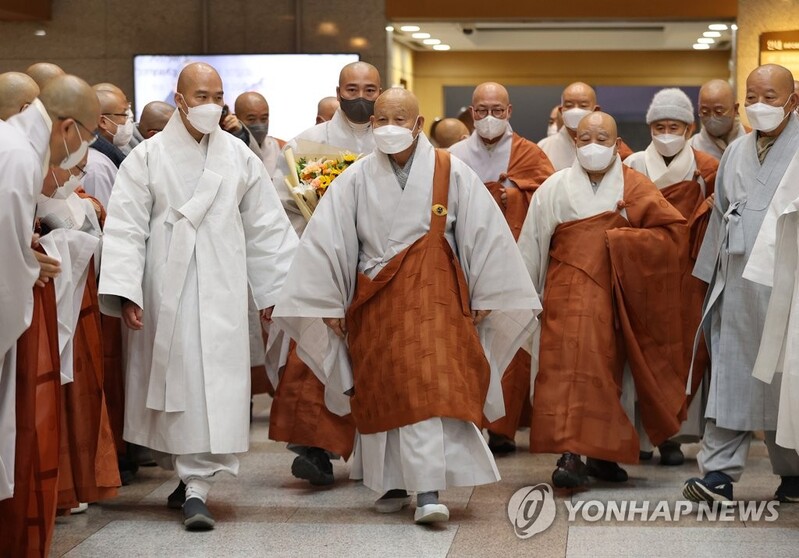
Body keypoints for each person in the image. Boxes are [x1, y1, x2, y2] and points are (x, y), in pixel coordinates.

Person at [273, 87, 539, 524]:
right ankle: (393, 481)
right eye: (382, 121)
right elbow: (330, 243)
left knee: (430, 386)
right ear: (372, 125)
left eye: (400, 120)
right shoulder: (355, 177)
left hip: (436, 297)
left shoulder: (451, 171)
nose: (390, 129)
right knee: (382, 388)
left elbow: (484, 234)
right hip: (375, 299)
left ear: (418, 126)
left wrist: (487, 294)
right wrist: (330, 303)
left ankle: (429, 488)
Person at [97, 62, 298, 531]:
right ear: (181, 99)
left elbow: (266, 226)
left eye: (217, 96)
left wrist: (273, 292)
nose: (211, 105)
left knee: (219, 384)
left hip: (224, 284)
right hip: (165, 285)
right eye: (201, 95)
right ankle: (189, 479)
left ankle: (197, 485)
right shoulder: (147, 157)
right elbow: (126, 227)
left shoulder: (239, 156)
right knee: (179, 381)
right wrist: (127, 290)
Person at [518, 111, 686, 489]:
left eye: (602, 138)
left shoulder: (636, 186)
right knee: (566, 374)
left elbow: (672, 235)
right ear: (575, 142)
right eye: (585, 138)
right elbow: (530, 247)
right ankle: (570, 454)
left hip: (615, 299)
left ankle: (602, 455)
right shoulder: (554, 187)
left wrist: (620, 238)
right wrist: (526, 299)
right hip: (562, 295)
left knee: (607, 377)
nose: (593, 146)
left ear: (616, 143)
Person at [682, 64, 799, 504]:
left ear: (794, 100)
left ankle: (793, 473)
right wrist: (707, 276)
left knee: (786, 380)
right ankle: (719, 475)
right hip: (737, 284)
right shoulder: (735, 152)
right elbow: (719, 214)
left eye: (770, 97)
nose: (759, 106)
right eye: (752, 97)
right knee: (732, 374)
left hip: (788, 287)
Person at [265, 61, 382, 486]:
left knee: (375, 356)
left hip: (379, 266)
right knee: (311, 353)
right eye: (353, 89)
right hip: (321, 262)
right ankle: (314, 448)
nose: (361, 98)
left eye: (371, 89)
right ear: (339, 89)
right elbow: (282, 207)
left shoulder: (395, 139)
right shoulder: (306, 144)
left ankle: (378, 448)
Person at [0, 73, 100, 557]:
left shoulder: (13, 144)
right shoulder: (18, 155)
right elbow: (5, 248)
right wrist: (28, 261)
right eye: (88, 135)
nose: (84, 152)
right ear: (67, 127)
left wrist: (24, 251)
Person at [449, 82, 554, 453]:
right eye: (481, 111)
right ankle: (468, 417)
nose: (488, 118)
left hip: (514, 257)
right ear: (471, 112)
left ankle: (503, 428)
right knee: (466, 341)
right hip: (464, 257)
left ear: (509, 112)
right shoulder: (453, 154)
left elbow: (546, 197)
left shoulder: (531, 154)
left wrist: (515, 194)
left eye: (496, 110)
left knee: (512, 339)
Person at [625, 88, 718, 466]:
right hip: (642, 272)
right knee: (641, 353)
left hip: (687, 273)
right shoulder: (632, 163)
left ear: (688, 127)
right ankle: (641, 438)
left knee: (682, 353)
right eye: (659, 126)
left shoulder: (707, 168)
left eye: (674, 126)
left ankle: (673, 435)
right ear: (649, 127)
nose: (666, 132)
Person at [538, 82, 632, 171]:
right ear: (561, 110)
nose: (575, 110)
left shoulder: (611, 145)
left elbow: (627, 176)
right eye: (569, 105)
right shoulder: (544, 147)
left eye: (583, 105)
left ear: (596, 110)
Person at [86, 87, 133, 207]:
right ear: (103, 122)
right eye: (124, 114)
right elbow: (104, 219)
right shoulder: (97, 166)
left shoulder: (110, 155)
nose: (129, 121)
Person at [690, 79, 748, 160]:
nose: (712, 117)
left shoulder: (753, 140)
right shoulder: (691, 147)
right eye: (705, 112)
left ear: (735, 109)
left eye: (718, 112)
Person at [234, 91, 286, 176]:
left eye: (264, 118)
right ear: (236, 118)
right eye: (251, 119)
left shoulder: (282, 148)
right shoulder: (229, 150)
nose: (259, 124)